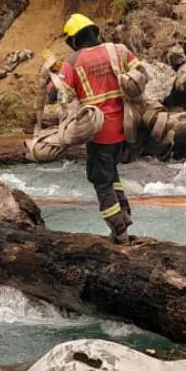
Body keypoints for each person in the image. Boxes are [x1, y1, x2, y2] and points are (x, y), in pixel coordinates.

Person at [56, 14, 142, 244]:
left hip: (100, 132)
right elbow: (141, 74)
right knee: (111, 173)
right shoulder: (119, 50)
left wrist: (52, 79)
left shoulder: (73, 61)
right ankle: (125, 216)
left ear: (74, 39)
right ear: (94, 31)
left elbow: (58, 94)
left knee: (101, 182)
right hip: (126, 129)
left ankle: (119, 232)